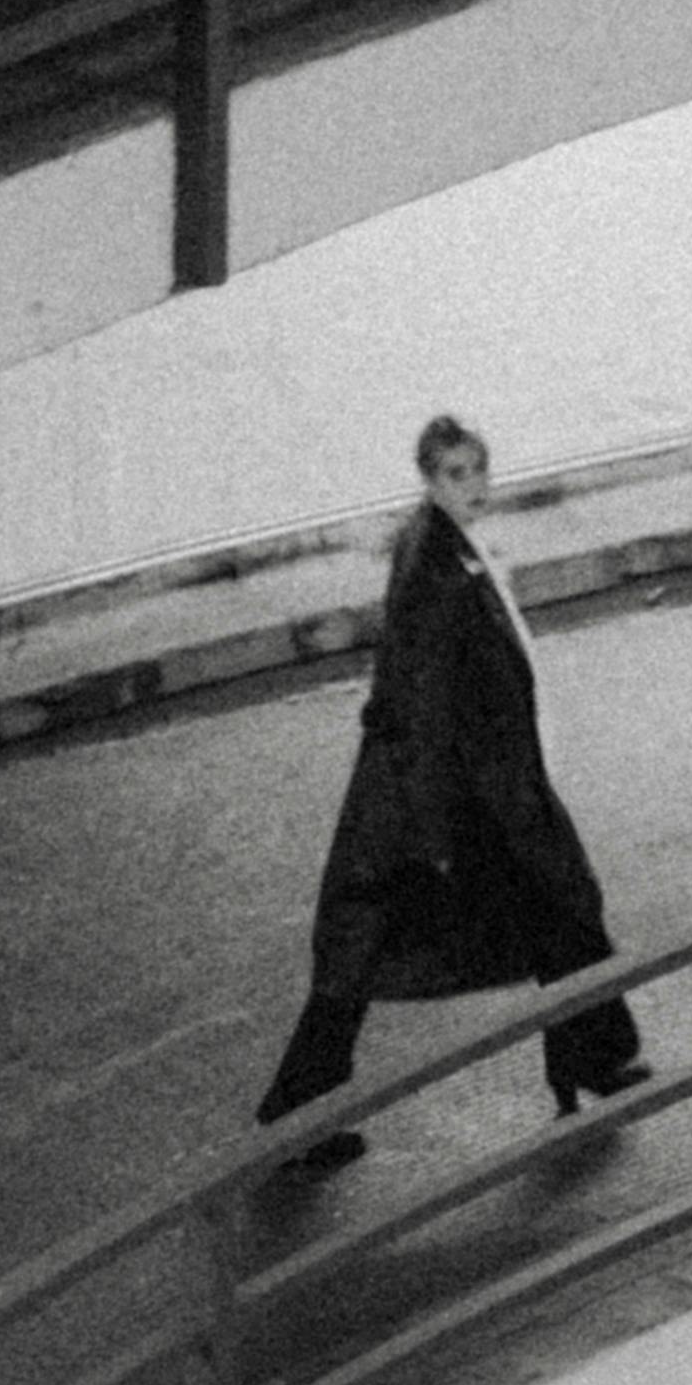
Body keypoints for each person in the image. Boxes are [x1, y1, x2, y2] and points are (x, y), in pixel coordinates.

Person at [255, 414, 649, 1150]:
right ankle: (297, 1117)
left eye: (478, 470)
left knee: (552, 911)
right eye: (456, 475)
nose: (474, 486)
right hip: (448, 800)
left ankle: (592, 1056)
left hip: (468, 788)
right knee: (374, 951)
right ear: (430, 482)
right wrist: (436, 828)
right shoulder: (436, 568)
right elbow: (424, 698)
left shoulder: (444, 548)